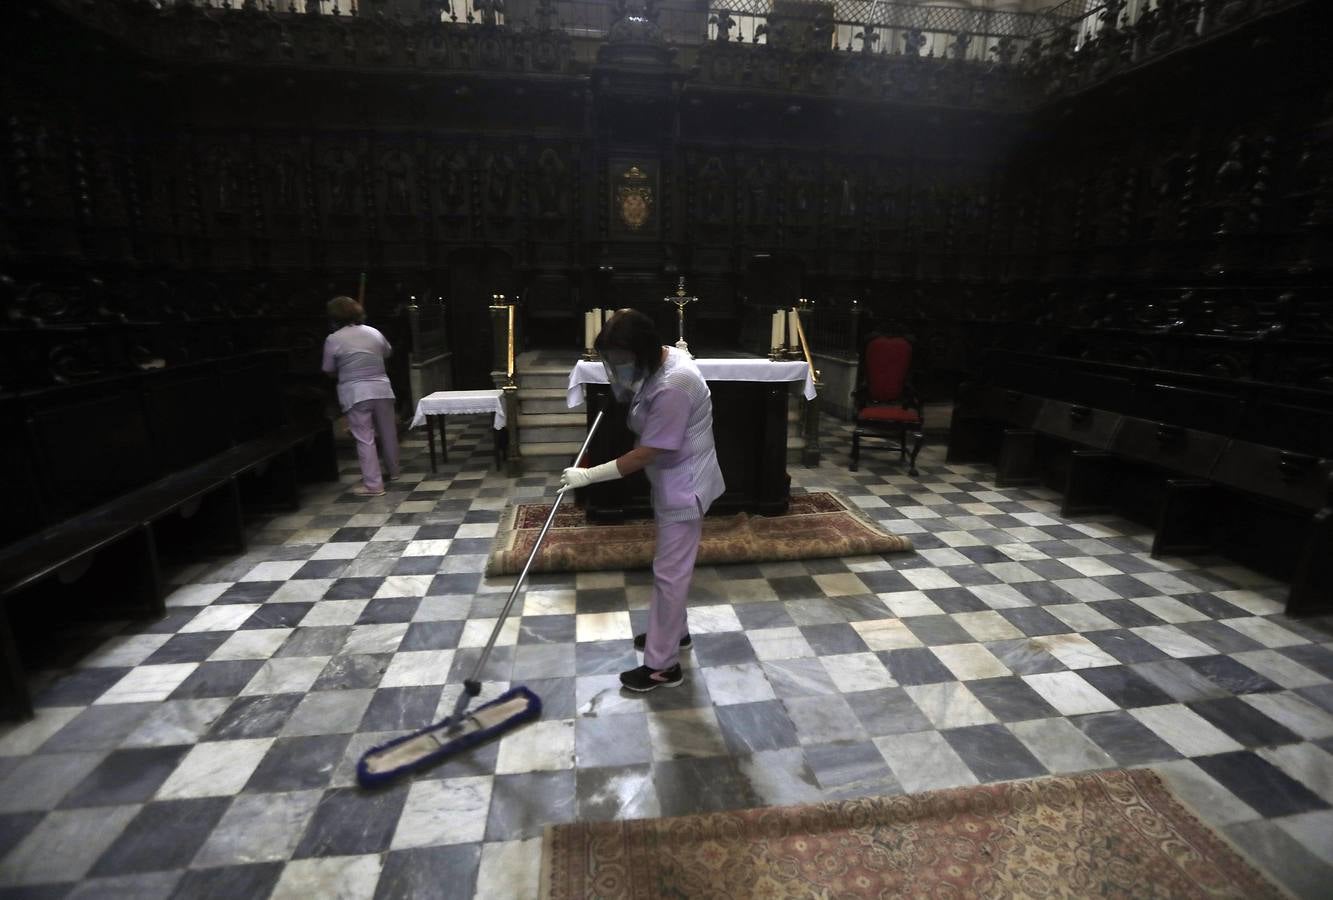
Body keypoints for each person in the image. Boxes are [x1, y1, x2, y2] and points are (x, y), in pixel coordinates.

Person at [560, 309, 725, 692]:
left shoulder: (675, 385)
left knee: (670, 574)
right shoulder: (664, 358)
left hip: (684, 488)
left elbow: (648, 451)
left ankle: (662, 666)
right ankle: (673, 635)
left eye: (622, 359)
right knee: (672, 567)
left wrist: (588, 475)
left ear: (644, 351)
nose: (619, 367)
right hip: (672, 480)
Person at [322, 295, 399, 497]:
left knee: (365, 438)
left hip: (356, 392)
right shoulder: (374, 332)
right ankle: (394, 471)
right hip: (382, 388)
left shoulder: (333, 339)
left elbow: (328, 369)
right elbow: (387, 353)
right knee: (388, 432)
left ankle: (374, 485)